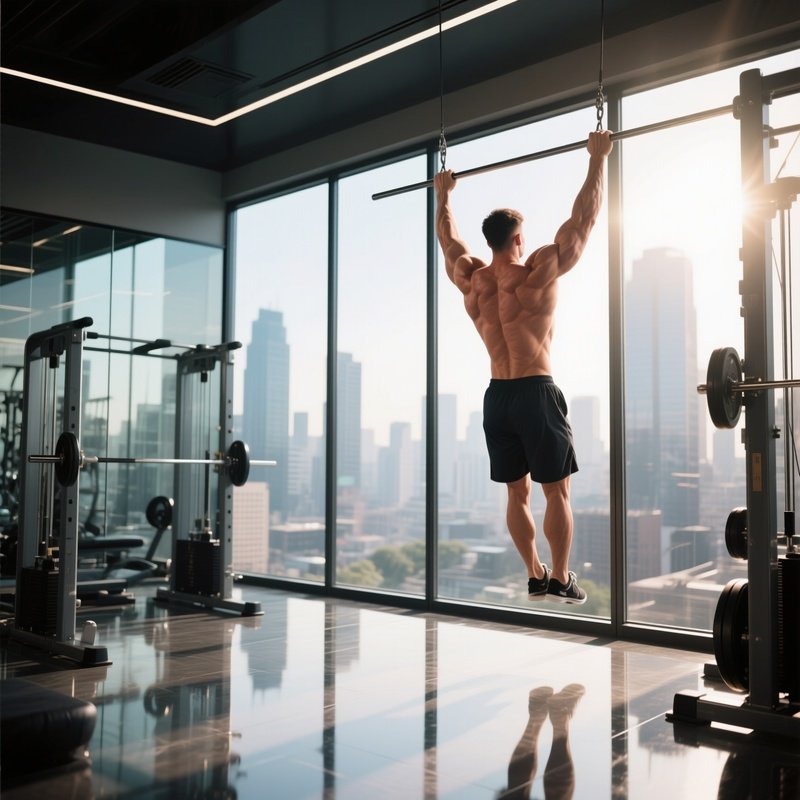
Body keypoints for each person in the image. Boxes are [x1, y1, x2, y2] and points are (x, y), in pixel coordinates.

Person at [434, 130, 613, 604]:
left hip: (497, 396)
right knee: (557, 493)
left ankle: (534, 573)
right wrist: (597, 159)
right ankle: (561, 576)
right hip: (536, 391)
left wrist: (443, 196)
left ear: (489, 241)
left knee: (516, 494)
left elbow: (447, 240)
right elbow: (584, 220)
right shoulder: (539, 270)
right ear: (519, 239)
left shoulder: (470, 279)